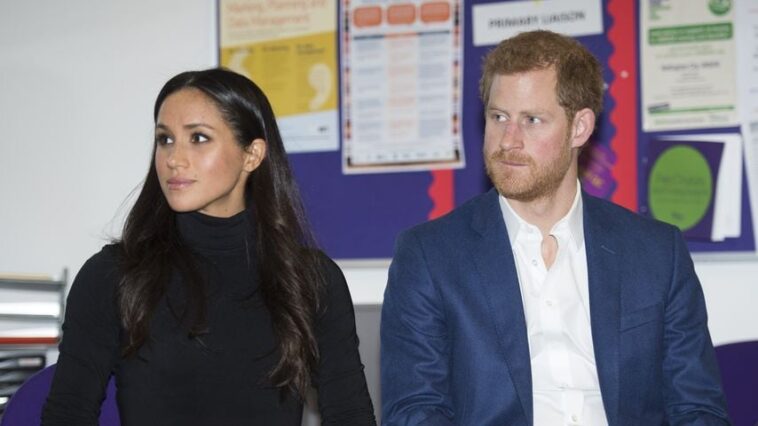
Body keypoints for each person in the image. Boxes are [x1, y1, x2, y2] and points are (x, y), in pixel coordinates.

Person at [380, 30, 730, 426]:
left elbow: (697, 408)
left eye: (532, 120)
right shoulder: (430, 256)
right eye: (498, 117)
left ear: (579, 127)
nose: (508, 141)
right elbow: (414, 410)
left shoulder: (656, 253)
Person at [42, 68, 376, 425]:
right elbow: (67, 414)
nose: (174, 158)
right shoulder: (112, 274)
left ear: (252, 155)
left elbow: (350, 415)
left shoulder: (311, 279)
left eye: (198, 138)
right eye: (165, 139)